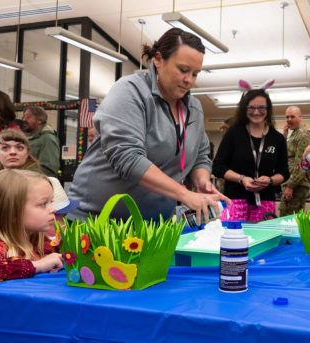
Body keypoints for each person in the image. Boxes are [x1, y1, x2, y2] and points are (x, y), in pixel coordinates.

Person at [68, 28, 228, 223]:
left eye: (195, 74)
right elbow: (127, 157)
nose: (189, 80)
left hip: (150, 225)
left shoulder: (194, 107)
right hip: (97, 220)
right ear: (158, 59)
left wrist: (202, 181)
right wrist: (184, 194)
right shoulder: (130, 91)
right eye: (183, 70)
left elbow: (200, 156)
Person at [0, 169, 64, 284]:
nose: (54, 209)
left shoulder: (36, 241)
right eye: (43, 204)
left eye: (51, 201)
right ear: (13, 214)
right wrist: (39, 265)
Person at [212, 89, 289, 221]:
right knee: (233, 239)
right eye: (251, 108)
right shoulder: (233, 134)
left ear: (268, 109)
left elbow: (284, 172)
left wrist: (270, 180)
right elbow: (218, 167)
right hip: (235, 199)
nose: (256, 112)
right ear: (244, 109)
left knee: (264, 239)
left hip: (265, 200)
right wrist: (242, 179)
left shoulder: (277, 139)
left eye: (261, 107)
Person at [278, 106, 310, 217]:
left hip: (296, 185)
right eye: (287, 117)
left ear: (300, 117)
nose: (289, 119)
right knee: (285, 216)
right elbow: (285, 156)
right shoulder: (294, 134)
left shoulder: (303, 134)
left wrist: (290, 186)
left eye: (292, 117)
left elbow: (302, 163)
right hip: (291, 182)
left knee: (288, 220)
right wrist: (284, 137)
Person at [21, 106, 60, 177]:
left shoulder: (47, 138)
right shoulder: (27, 138)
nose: (24, 119)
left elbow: (49, 170)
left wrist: (21, 172)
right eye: (23, 117)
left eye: (28, 117)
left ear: (39, 121)